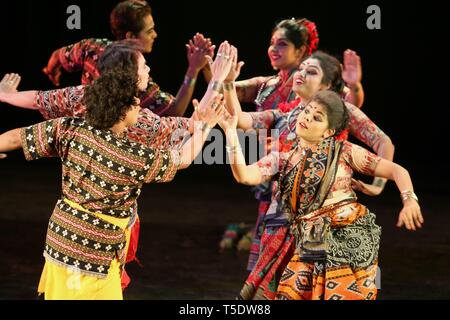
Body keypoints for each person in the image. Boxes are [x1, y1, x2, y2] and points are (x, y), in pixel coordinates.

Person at [0, 40, 234, 300]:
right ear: (121, 106)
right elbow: (183, 155)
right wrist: (212, 99)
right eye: (135, 104)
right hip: (91, 254)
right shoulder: (132, 151)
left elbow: (17, 136)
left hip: (61, 240)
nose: (140, 107)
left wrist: (6, 96)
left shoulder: (72, 124)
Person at [219, 89, 423, 300]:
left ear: (328, 132)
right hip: (306, 242)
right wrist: (231, 133)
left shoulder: (344, 151)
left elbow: (397, 170)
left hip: (346, 240)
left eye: (317, 118)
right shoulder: (282, 159)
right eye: (307, 111)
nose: (307, 117)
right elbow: (244, 175)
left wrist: (409, 201)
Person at [222, 49, 395, 278]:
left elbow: (383, 142)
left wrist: (378, 185)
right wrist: (227, 83)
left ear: (325, 86)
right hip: (281, 220)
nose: (300, 73)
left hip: (322, 220)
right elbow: (240, 119)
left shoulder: (341, 112)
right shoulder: (282, 116)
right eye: (301, 69)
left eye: (311, 71)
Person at [43, 0, 214, 116]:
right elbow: (175, 111)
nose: (155, 35)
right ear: (130, 35)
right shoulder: (135, 77)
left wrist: (52, 70)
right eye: (149, 31)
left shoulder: (93, 46)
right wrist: (193, 69)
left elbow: (57, 55)